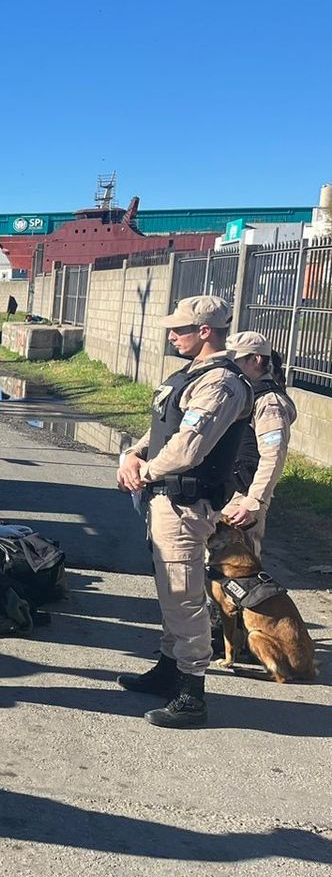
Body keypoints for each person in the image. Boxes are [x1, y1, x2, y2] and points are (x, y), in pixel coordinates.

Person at [116, 296, 252, 729]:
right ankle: (170, 668)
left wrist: (146, 471)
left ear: (206, 331)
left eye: (180, 329)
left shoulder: (222, 384)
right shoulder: (191, 375)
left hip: (185, 503)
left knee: (183, 595)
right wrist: (132, 456)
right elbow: (163, 428)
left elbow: (190, 445)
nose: (172, 335)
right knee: (169, 591)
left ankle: (192, 692)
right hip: (165, 497)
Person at [221, 330, 297, 559]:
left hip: (242, 498)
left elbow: (273, 456)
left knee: (237, 572)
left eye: (234, 361)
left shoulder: (269, 402)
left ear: (255, 360)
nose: (227, 367)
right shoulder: (241, 392)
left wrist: (254, 502)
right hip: (225, 491)